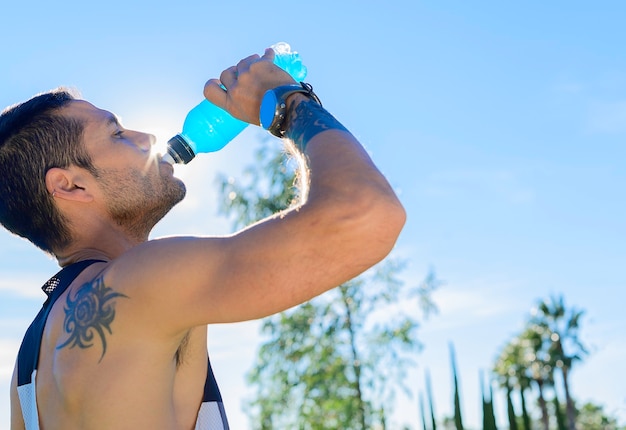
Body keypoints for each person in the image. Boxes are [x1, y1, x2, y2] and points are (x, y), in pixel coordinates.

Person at [2, 47, 406, 429]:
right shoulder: (142, 282)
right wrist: (286, 102)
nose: (148, 140)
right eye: (118, 134)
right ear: (70, 186)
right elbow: (367, 215)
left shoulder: (26, 373)